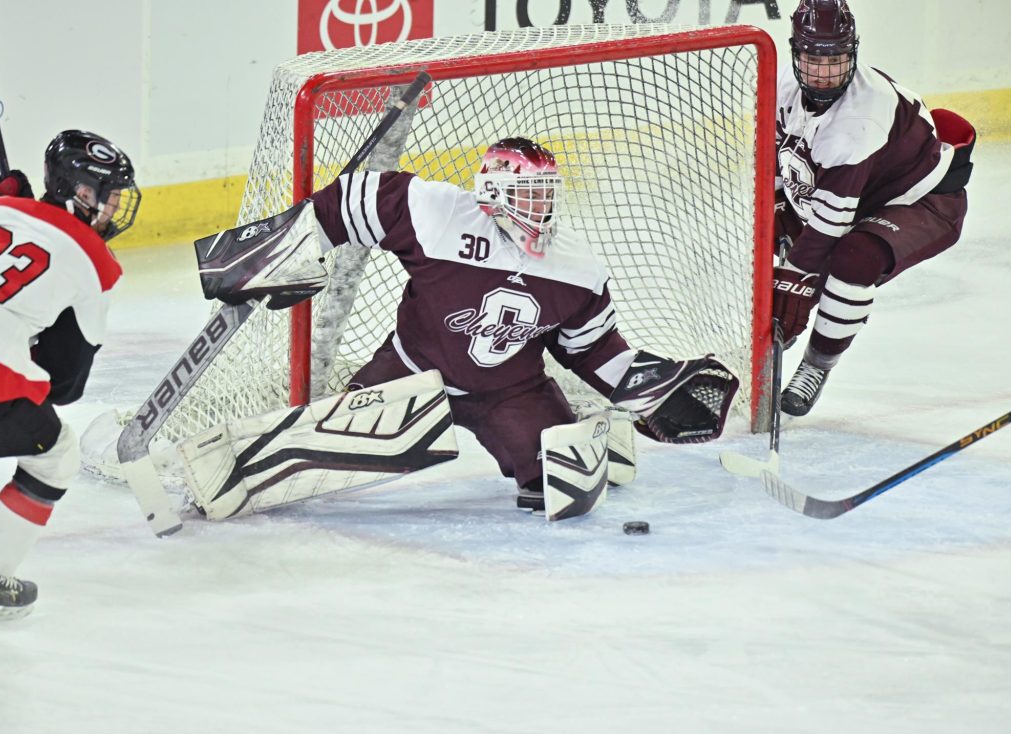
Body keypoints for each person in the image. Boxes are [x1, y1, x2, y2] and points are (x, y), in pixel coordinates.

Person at [308, 137, 738, 510]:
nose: (541, 206)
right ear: (493, 192)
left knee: (555, 483)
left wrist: (650, 390)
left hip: (509, 394)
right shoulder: (439, 215)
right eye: (529, 193)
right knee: (333, 448)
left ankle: (595, 429)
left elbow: (588, 346)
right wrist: (290, 248)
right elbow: (351, 201)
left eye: (546, 194)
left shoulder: (575, 265)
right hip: (412, 371)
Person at [772, 0, 975, 415]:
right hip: (859, 192)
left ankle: (816, 365)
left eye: (836, 60)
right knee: (767, 244)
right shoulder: (780, 91)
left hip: (921, 199)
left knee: (853, 258)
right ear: (796, 52)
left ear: (854, 53)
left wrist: (794, 279)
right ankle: (763, 345)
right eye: (813, 59)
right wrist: (777, 217)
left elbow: (831, 225)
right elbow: (776, 165)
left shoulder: (860, 117)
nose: (824, 73)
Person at [0, 130, 140, 618]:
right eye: (108, 197)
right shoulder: (94, 260)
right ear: (80, 193)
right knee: (55, 454)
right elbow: (64, 384)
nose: (113, 210)